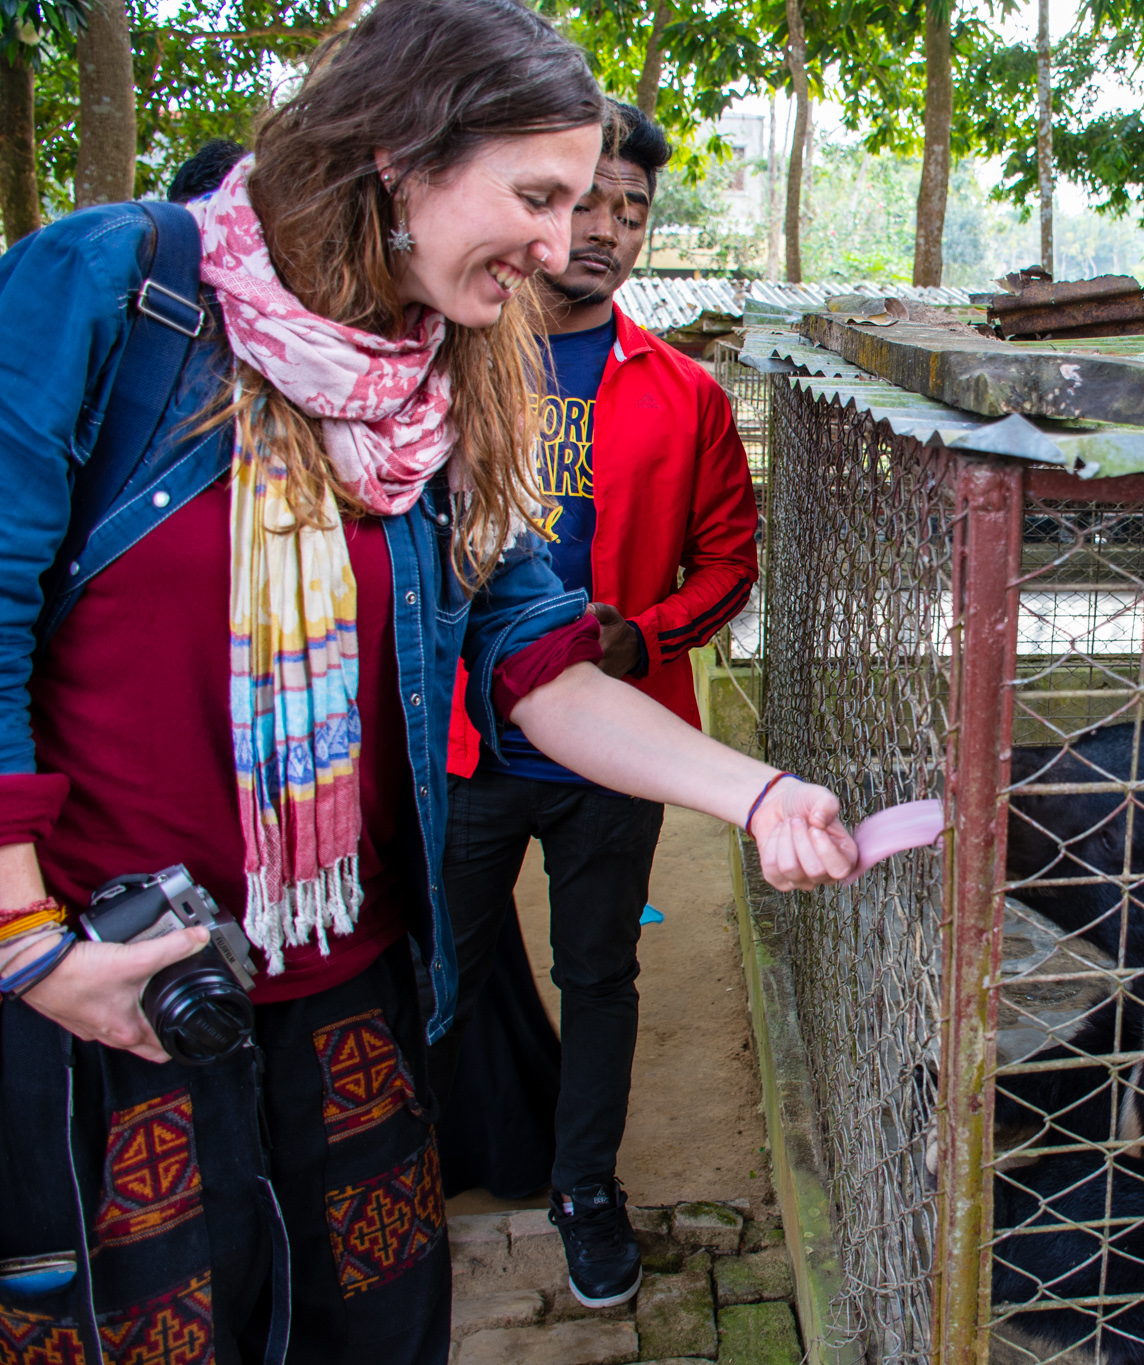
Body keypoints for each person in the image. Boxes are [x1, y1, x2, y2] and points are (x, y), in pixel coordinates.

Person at [0, 3, 855, 1361]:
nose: (564, 238)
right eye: (535, 195)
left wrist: (760, 798)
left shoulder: (460, 374)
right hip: (100, 980)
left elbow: (535, 657)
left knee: (378, 1324)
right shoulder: (114, 293)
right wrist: (25, 943)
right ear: (400, 152)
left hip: (351, 974)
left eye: (582, 203)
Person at [428, 98, 760, 1309]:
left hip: (617, 747)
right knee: (441, 967)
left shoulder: (683, 393)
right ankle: (424, 1164)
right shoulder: (446, 357)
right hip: (462, 743)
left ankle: (583, 1190)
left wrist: (647, 633)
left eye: (632, 209)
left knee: (601, 975)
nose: (608, 228)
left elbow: (729, 561)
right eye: (586, 201)